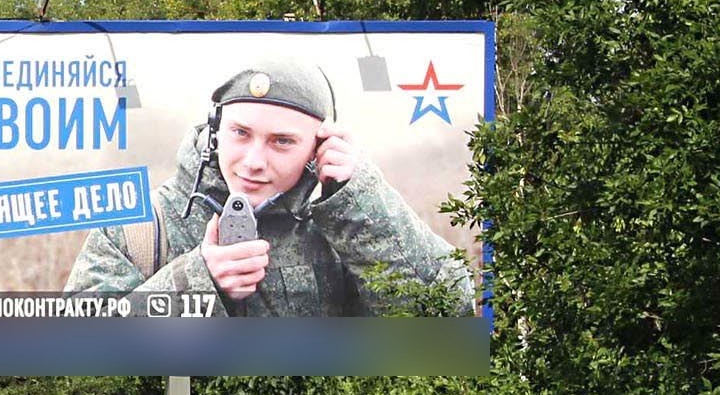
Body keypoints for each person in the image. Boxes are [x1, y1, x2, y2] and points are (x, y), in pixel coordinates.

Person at [64, 62, 475, 315]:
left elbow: (446, 317)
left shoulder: (347, 222)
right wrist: (197, 283)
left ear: (318, 148)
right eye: (240, 133)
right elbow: (74, 360)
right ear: (214, 133)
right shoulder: (138, 227)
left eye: (282, 141)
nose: (254, 160)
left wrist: (360, 201)